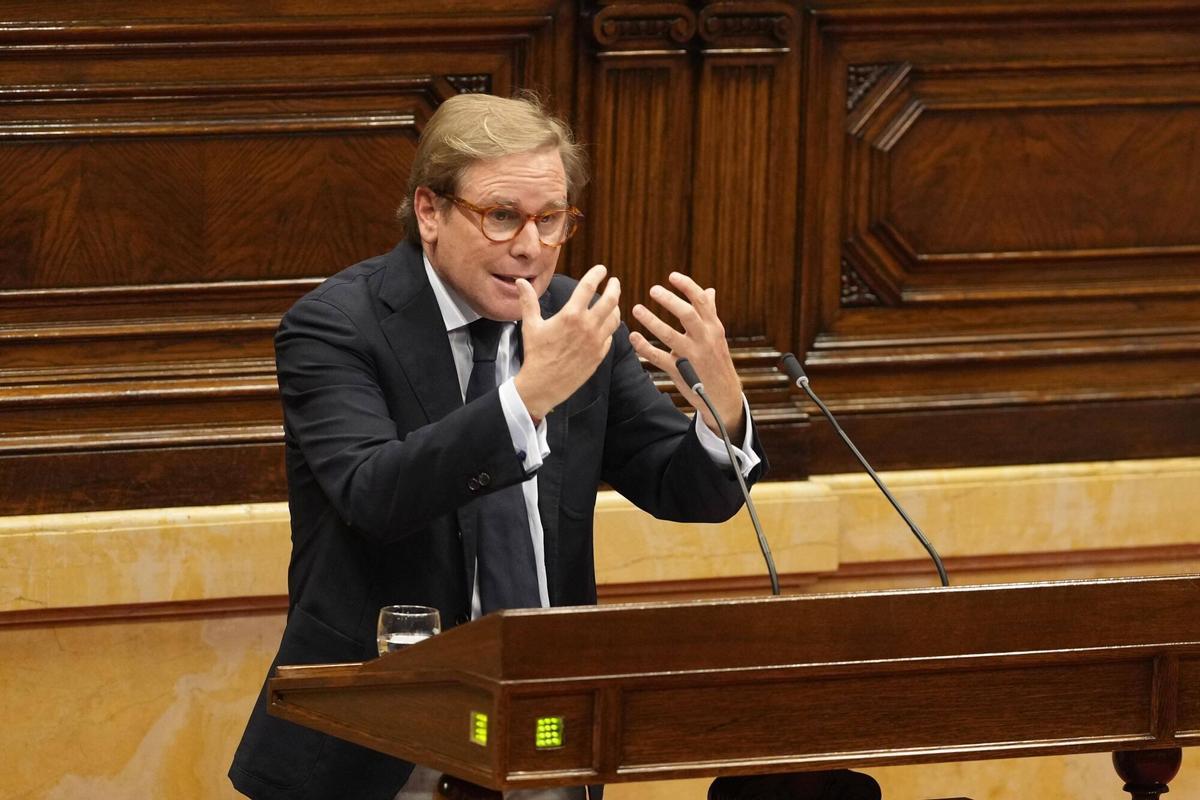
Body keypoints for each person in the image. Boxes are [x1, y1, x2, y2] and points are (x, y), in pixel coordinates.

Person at [229, 92, 766, 800]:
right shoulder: (335, 327)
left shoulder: (577, 326)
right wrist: (525, 399)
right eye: (502, 216)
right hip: (383, 748)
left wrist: (720, 408)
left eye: (552, 220)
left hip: (547, 734)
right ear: (430, 212)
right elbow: (374, 493)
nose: (531, 247)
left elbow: (686, 489)